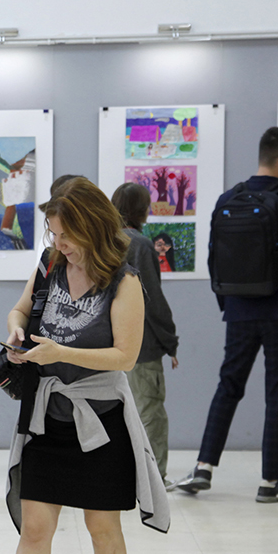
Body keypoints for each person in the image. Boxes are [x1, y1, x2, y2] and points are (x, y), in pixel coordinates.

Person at [0, 176, 168, 554]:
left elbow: (125, 356)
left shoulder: (124, 282)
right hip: (46, 418)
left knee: (102, 529)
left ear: (92, 227)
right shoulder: (50, 265)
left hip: (101, 421)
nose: (58, 243)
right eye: (53, 233)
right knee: (34, 529)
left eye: (66, 234)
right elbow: (21, 308)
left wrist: (60, 352)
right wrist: (17, 330)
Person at [169, 127, 278, 502]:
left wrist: (228, 304)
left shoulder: (228, 198)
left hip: (239, 310)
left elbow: (214, 258)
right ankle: (270, 483)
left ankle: (203, 467)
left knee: (228, 385)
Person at [111, 181, 180, 481]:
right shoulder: (139, 245)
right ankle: (153, 480)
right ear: (142, 210)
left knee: (116, 413)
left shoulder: (104, 241)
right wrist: (170, 341)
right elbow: (152, 301)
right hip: (141, 346)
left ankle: (123, 475)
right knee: (150, 412)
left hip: (107, 344)